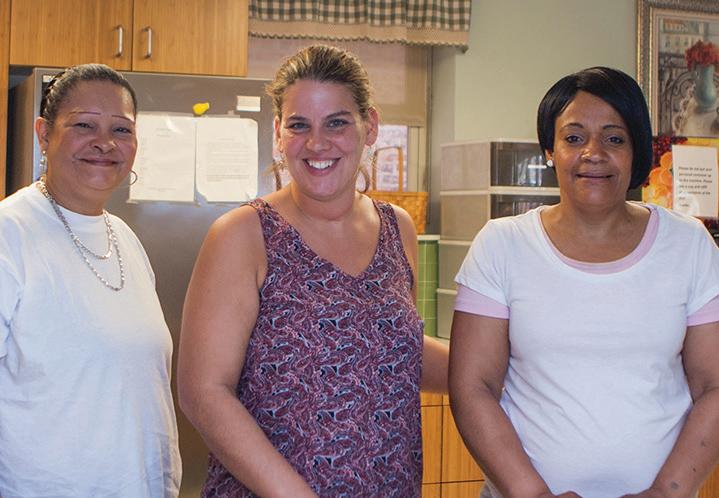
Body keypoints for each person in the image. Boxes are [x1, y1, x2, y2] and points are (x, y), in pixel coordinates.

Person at [178, 44, 449, 497]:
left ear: (370, 126)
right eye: (299, 125)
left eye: (336, 123)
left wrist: (498, 367)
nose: (317, 144)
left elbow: (386, 348)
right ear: (279, 133)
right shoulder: (244, 234)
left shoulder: (397, 227)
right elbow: (204, 392)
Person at [449, 66, 719, 498]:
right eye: (574, 138)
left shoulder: (689, 244)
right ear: (550, 150)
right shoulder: (502, 245)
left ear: (636, 150)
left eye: (614, 139)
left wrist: (667, 492)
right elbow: (473, 387)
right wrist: (533, 494)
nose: (593, 153)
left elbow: (714, 386)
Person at [0, 64, 182, 497]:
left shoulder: (125, 238)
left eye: (121, 129)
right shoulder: (10, 234)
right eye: (84, 125)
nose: (105, 142)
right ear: (44, 134)